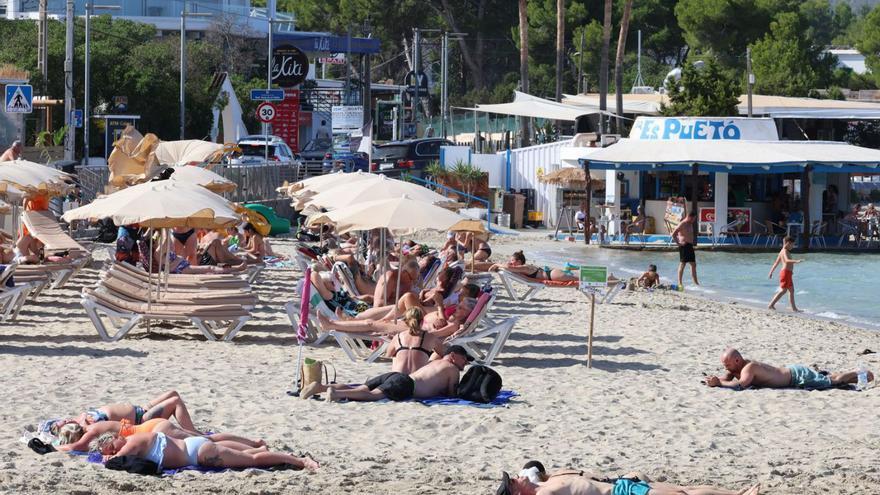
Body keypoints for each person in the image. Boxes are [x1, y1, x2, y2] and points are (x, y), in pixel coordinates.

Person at [300, 345, 472, 402]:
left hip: (398, 376)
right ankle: (336, 392)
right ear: (454, 356)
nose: (465, 364)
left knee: (361, 387)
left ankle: (320, 387)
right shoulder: (452, 369)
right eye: (464, 360)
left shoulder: (436, 361)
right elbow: (451, 394)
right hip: (406, 385)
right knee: (372, 395)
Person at [91, 431, 318, 471]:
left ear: (116, 439)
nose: (112, 451)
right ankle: (261, 445)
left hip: (198, 454)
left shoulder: (131, 443)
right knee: (252, 454)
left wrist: (108, 456)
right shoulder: (134, 442)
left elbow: (114, 460)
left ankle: (300, 461)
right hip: (196, 446)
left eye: (111, 446)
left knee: (254, 460)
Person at [54, 418, 264, 453]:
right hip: (152, 427)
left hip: (156, 432)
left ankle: (254, 447)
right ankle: (253, 443)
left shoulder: (91, 432)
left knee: (207, 441)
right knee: (208, 438)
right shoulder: (93, 424)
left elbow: (76, 447)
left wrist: (55, 447)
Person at [704, 348, 874, 390]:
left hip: (796, 376)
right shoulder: (736, 367)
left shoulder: (749, 368)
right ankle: (860, 376)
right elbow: (727, 379)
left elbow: (740, 386)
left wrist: (718, 384)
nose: (725, 367)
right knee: (830, 380)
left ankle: (861, 373)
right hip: (793, 373)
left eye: (727, 364)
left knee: (832, 382)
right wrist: (715, 379)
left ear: (736, 360)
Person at [495, 469, 759, 495]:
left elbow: (532, 468)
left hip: (621, 486)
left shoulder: (545, 482)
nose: (517, 477)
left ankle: (736, 493)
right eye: (514, 481)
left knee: (683, 489)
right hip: (621, 494)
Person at [51, 391, 197, 433]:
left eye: (62, 420)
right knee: (176, 402)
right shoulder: (85, 426)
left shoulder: (80, 418)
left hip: (141, 408)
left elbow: (82, 415)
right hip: (142, 420)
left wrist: (81, 418)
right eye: (62, 423)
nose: (64, 420)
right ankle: (193, 433)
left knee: (173, 393)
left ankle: (190, 429)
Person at [487, 251, 577, 282]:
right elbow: (508, 267)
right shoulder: (521, 268)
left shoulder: (524, 267)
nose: (511, 263)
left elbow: (509, 268)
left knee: (579, 279)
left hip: (552, 275)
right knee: (576, 278)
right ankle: (567, 268)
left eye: (512, 261)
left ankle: (568, 268)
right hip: (551, 274)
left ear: (519, 261)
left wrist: (495, 264)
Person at [767, 236, 802, 312]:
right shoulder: (785, 251)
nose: (793, 247)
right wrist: (796, 261)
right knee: (784, 290)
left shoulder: (782, 251)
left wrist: (771, 272)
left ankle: (794, 308)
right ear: (788, 243)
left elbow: (776, 263)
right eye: (792, 245)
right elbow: (786, 260)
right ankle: (771, 304)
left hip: (788, 273)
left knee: (791, 290)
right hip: (785, 273)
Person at [669, 211, 699, 288]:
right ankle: (680, 283)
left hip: (690, 246)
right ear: (689, 217)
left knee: (693, 264)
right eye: (693, 219)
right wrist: (678, 243)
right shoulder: (682, 223)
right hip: (684, 246)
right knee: (683, 264)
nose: (694, 220)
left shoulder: (690, 223)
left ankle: (695, 283)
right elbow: (673, 234)